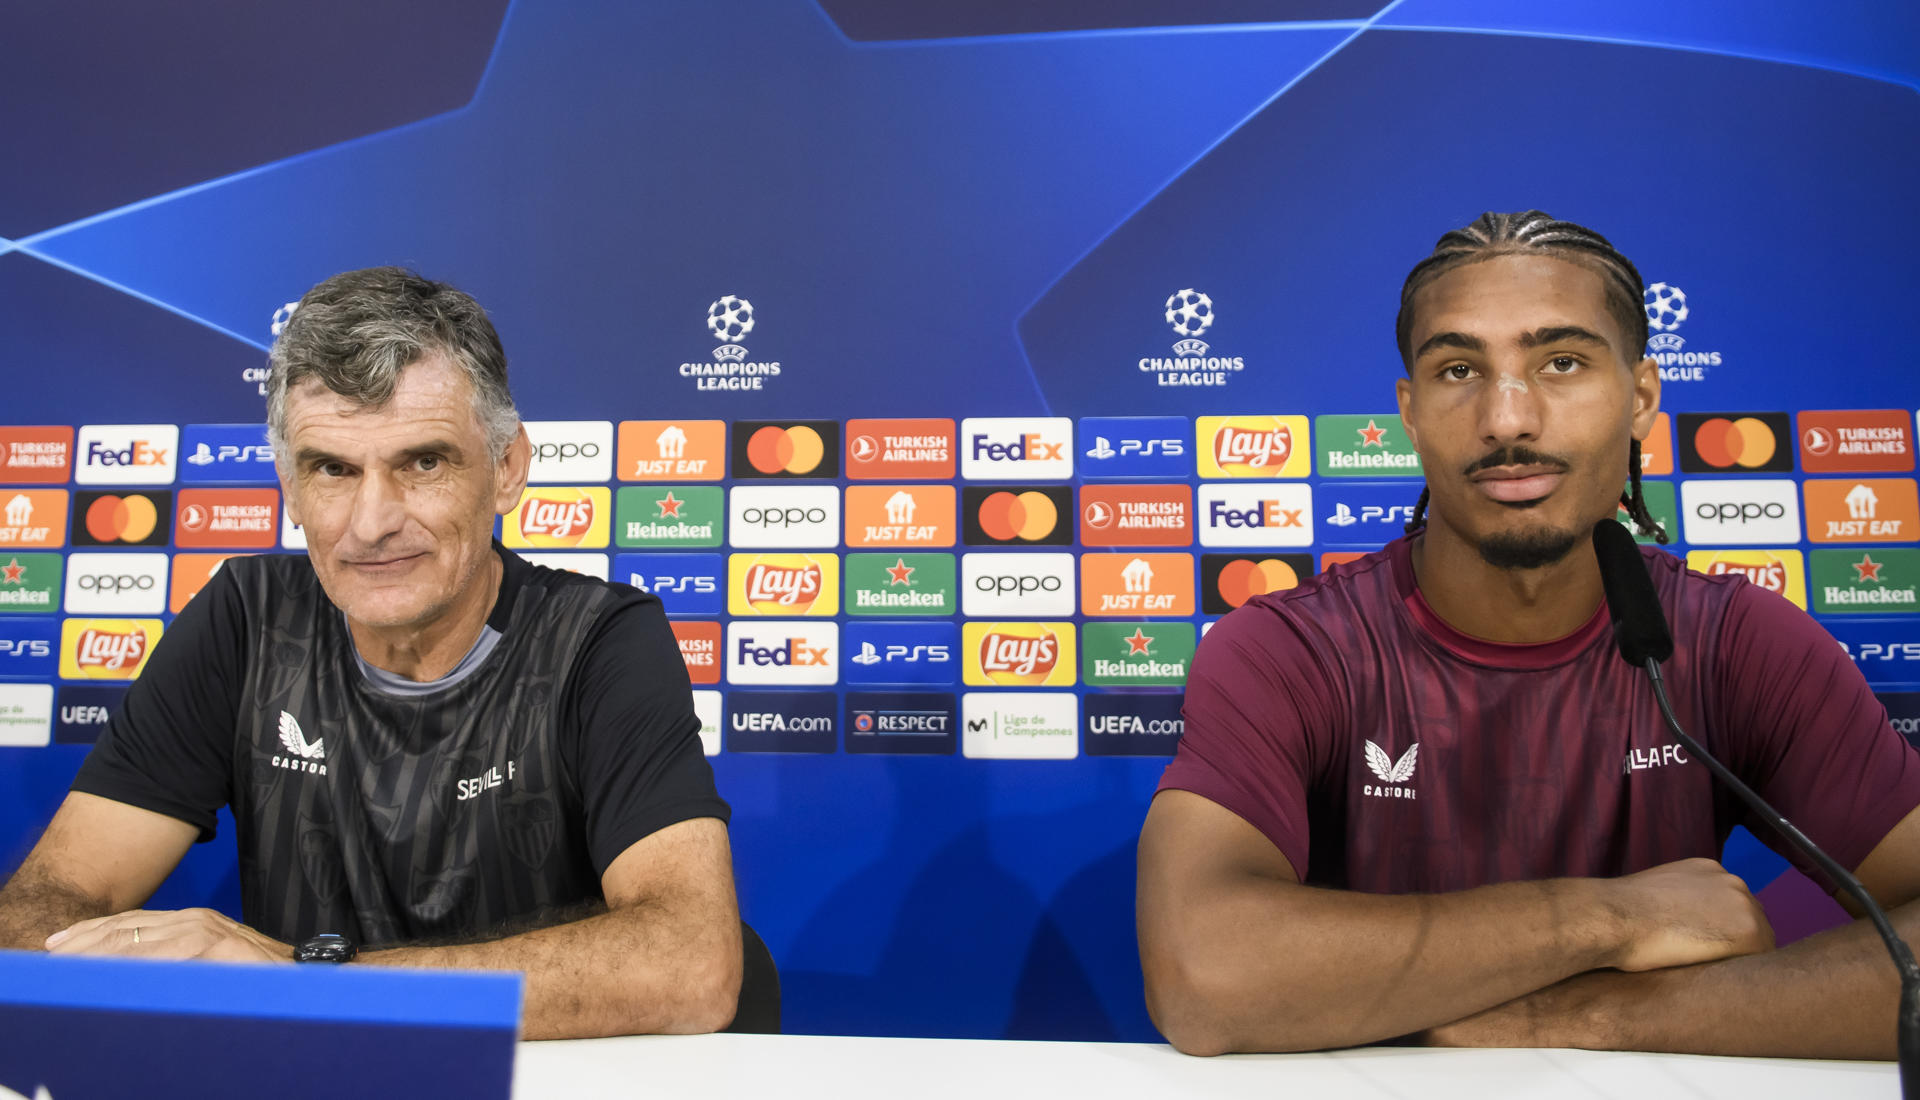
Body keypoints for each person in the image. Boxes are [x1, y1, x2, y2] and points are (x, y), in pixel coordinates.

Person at [1138, 211, 1920, 1058]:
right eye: (1458, 369)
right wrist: (1615, 919)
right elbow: (1203, 976)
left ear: (1642, 398)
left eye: (1562, 362)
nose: (1507, 418)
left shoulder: (1738, 643)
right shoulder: (1292, 650)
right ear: (1409, 410)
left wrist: (1585, 1020)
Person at [0, 267, 753, 1039]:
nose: (371, 523)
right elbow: (39, 909)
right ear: (290, 487)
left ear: (505, 468)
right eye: (333, 469)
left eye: (423, 463)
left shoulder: (599, 639)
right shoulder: (246, 619)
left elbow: (690, 963)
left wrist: (303, 984)